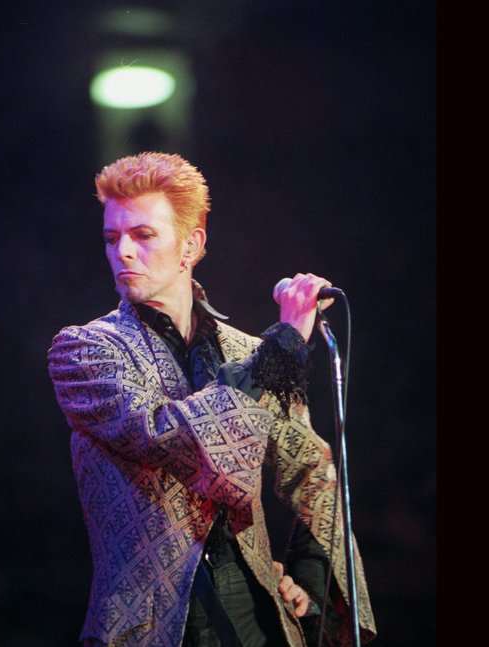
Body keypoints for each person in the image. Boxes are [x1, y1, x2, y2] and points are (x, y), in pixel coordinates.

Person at [48, 152, 376, 646]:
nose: (124, 253)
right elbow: (168, 433)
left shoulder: (247, 351)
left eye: (143, 235)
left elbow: (314, 473)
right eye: (112, 239)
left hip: (254, 620)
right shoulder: (83, 350)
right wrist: (284, 344)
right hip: (149, 630)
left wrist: (311, 583)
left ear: (191, 244)